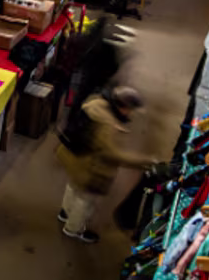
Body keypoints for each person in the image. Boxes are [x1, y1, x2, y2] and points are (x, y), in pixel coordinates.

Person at [56, 84, 152, 243]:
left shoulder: (95, 103)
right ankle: (73, 228)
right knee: (85, 201)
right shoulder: (109, 125)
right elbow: (112, 154)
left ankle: (65, 212)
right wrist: (144, 162)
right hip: (89, 167)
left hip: (74, 156)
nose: (130, 113)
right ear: (122, 106)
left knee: (73, 186)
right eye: (130, 109)